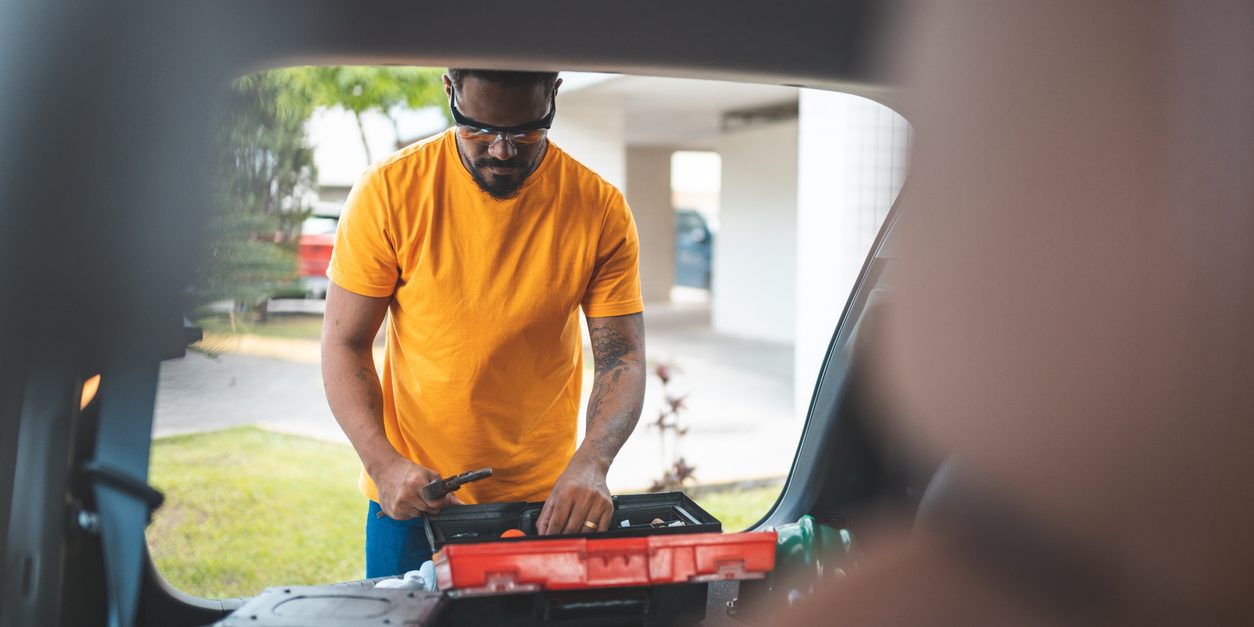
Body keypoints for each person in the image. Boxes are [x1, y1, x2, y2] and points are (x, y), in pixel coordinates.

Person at [320, 69, 647, 578]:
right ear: (450, 91)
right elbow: (344, 342)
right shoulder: (388, 191)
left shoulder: (599, 208)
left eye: (525, 132)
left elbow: (621, 356)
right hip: (412, 500)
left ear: (553, 96)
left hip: (547, 505)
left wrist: (593, 463)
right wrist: (383, 466)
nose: (500, 150)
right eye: (477, 130)